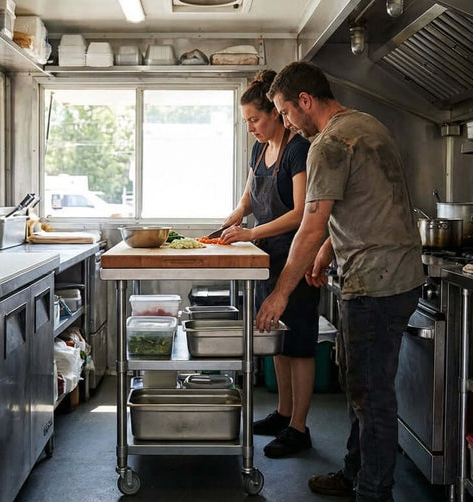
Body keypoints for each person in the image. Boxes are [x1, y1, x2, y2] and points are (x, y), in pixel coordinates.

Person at [255, 61, 425, 501]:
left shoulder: (327, 144)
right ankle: (354, 473)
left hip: (376, 282)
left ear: (305, 101)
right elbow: (365, 203)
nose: (287, 121)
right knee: (360, 385)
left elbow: (310, 227)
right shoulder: (367, 125)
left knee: (371, 396)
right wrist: (329, 252)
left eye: (285, 111)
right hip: (394, 274)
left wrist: (280, 293)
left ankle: (373, 491)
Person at [219, 69, 320, 458]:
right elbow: (247, 201)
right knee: (276, 338)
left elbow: (300, 213)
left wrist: (250, 234)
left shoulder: (299, 149)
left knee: (299, 345)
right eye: (246, 121)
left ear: (277, 114)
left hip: (296, 258)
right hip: (267, 261)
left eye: (255, 120)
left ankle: (299, 427)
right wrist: (230, 222)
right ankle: (282, 412)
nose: (251, 128)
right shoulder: (259, 150)